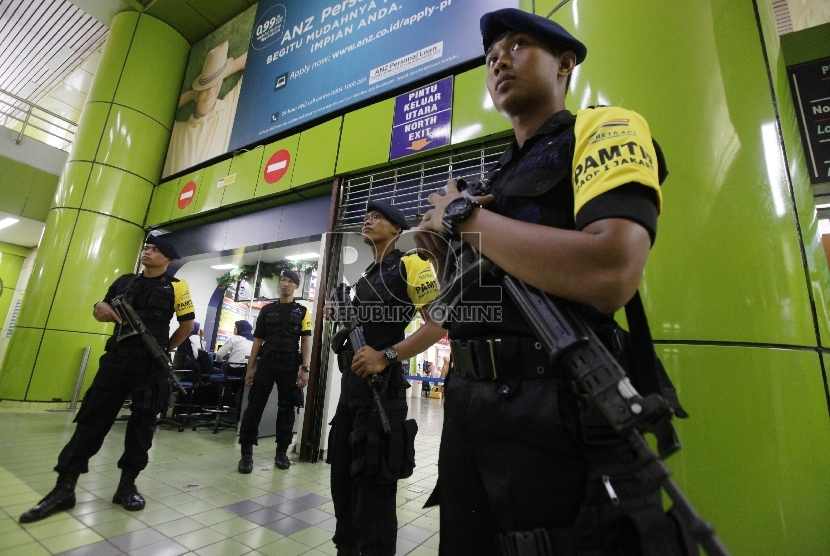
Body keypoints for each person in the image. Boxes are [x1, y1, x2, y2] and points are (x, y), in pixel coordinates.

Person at [414, 9, 686, 555]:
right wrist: (445, 255)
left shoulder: (604, 128)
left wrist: (467, 219)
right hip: (467, 410)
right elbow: (473, 311)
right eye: (492, 57)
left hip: (554, 411)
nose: (499, 62)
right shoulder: (495, 180)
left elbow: (611, 270)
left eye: (517, 46)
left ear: (565, 64)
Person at [19, 235, 195, 523]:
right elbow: (101, 309)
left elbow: (186, 325)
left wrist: (164, 350)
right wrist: (98, 309)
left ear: (168, 258)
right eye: (146, 248)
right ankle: (64, 489)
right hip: (115, 361)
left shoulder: (177, 287)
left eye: (154, 250)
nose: (147, 252)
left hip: (150, 367)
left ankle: (127, 487)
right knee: (91, 421)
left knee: (142, 426)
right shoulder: (124, 282)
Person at [329, 200, 446, 556]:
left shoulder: (413, 264)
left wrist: (387, 355)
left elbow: (439, 323)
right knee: (342, 482)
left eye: (376, 216)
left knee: (375, 490)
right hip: (351, 391)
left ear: (397, 229)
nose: (368, 220)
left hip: (382, 391)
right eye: (366, 216)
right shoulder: (365, 276)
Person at [237, 270, 311, 473]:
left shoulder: (303, 312)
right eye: (283, 280)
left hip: (289, 366)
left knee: (286, 409)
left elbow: (305, 341)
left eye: (290, 281)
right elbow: (258, 341)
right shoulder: (267, 310)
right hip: (267, 364)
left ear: (296, 286)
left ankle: (281, 452)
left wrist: (305, 369)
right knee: (255, 407)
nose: (285, 284)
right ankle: (246, 454)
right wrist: (250, 368)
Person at [163, 40, 247, 177]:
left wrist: (220, 74)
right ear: (196, 95)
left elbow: (256, 57)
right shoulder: (177, 131)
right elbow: (160, 110)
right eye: (205, 89)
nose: (210, 92)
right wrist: (194, 92)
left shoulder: (227, 109)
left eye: (215, 87)